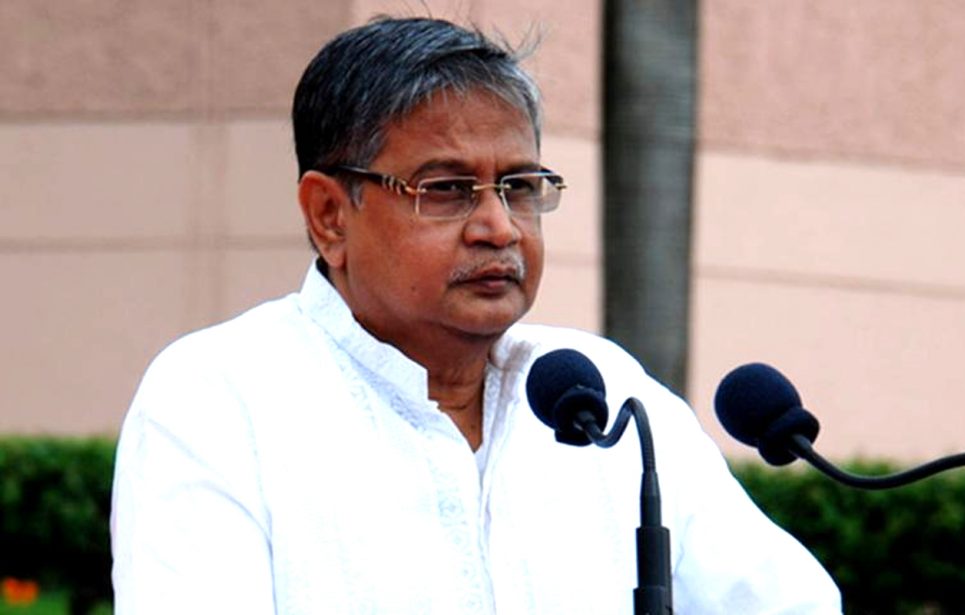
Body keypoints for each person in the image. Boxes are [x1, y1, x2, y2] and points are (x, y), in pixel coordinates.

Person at [111, 16, 842, 615]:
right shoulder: (219, 398)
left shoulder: (604, 395)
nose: (499, 227)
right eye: (447, 189)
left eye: (519, 186)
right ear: (329, 215)